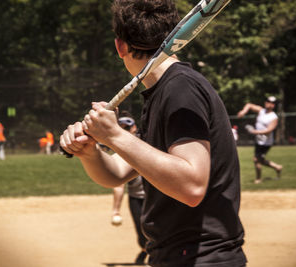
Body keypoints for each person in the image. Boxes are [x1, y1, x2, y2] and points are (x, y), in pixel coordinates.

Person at [60, 1, 246, 266]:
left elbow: (191, 185)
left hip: (201, 258)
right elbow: (117, 174)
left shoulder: (180, 88)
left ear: (120, 46)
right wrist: (90, 152)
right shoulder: (163, 91)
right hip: (175, 256)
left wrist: (114, 135)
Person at [110, 112, 147, 264]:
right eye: (122, 128)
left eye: (127, 127)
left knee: (156, 230)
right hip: (136, 198)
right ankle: (145, 250)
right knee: (141, 233)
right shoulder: (120, 153)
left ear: (134, 128)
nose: (125, 131)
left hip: (154, 197)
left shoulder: (147, 145)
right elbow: (119, 185)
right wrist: (116, 210)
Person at [237, 96, 283, 184]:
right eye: (267, 101)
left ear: (273, 105)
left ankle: (258, 179)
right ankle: (277, 167)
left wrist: (255, 132)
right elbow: (249, 105)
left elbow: (268, 131)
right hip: (259, 141)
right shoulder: (261, 111)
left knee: (256, 159)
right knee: (259, 160)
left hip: (266, 142)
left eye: (270, 102)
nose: (268, 103)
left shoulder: (274, 117)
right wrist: (243, 112)